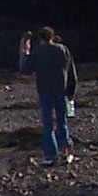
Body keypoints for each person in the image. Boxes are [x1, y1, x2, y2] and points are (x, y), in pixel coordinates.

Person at [19, 25, 78, 165]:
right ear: (52, 36)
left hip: (45, 90)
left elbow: (25, 69)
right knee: (62, 122)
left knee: (48, 124)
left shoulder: (38, 52)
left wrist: (24, 51)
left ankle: (51, 155)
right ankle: (66, 152)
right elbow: (71, 72)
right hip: (61, 90)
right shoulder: (63, 50)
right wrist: (71, 91)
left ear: (40, 38)